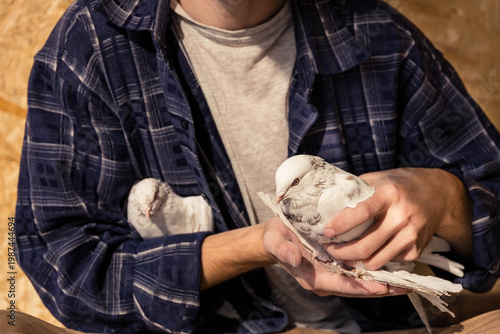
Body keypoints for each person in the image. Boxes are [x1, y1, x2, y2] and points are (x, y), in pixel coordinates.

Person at [15, 0, 500, 333]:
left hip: (393, 322)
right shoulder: (88, 49)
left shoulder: (375, 32)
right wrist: (257, 244)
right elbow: (65, 271)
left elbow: (489, 186)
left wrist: (447, 198)